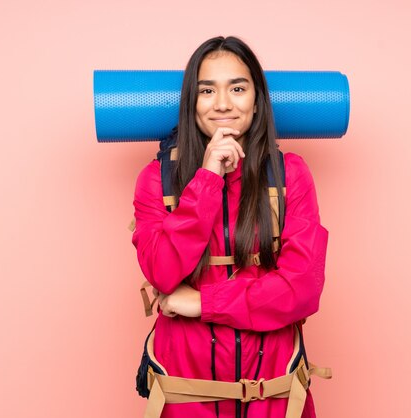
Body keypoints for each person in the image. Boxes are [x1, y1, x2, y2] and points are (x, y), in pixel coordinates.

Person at [132, 35, 328, 418]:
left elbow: (301, 290)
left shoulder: (292, 176)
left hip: (276, 402)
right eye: (207, 90)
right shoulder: (156, 180)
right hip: (184, 402)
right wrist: (206, 179)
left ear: (257, 101)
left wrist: (202, 302)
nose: (223, 103)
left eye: (237, 88)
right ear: (192, 104)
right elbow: (162, 271)